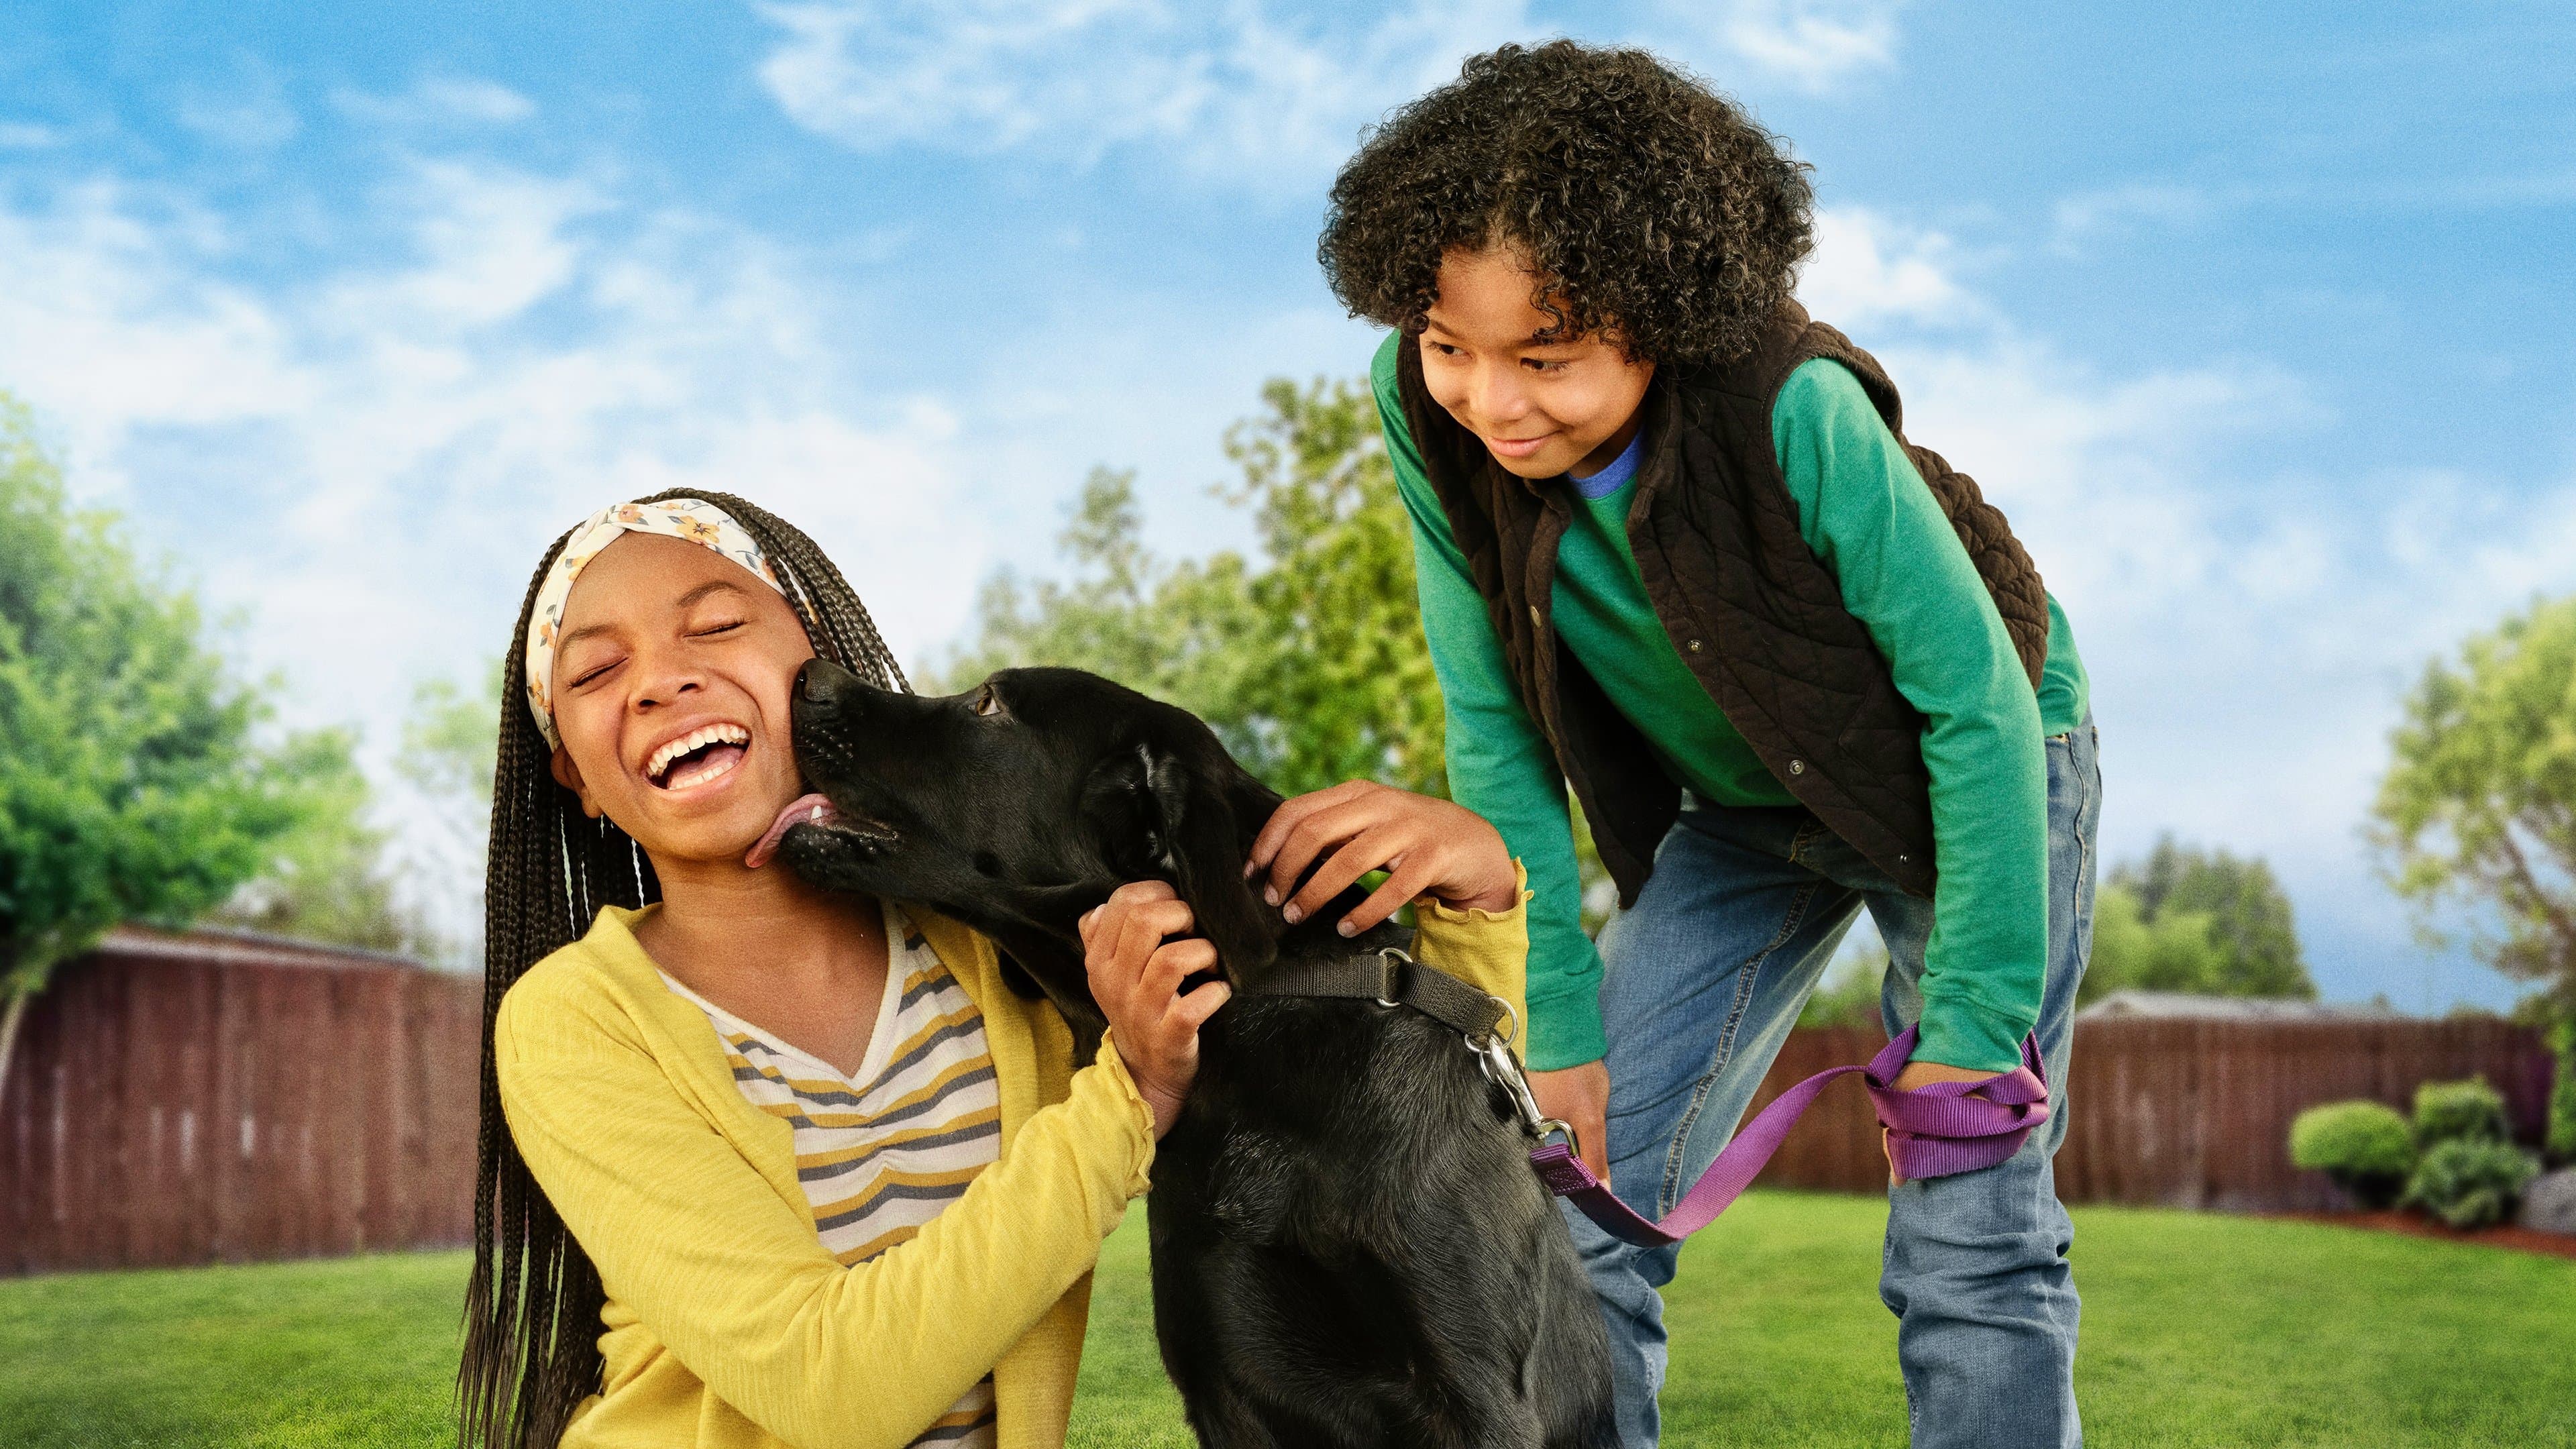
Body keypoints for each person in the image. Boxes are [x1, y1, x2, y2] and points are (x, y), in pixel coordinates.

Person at [1319, 41, 2100, 1449]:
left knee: (1971, 1229)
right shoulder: (1421, 416)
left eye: (1544, 359)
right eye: (1452, 349)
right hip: (1748, 804)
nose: (1493, 403)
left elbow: (1974, 707)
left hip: (1968, 774)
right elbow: (1496, 721)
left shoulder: (1797, 407)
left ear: (1658, 316)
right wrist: (1552, 1017)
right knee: (1563, 1197)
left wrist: (1971, 1038)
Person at [458, 491, 1532, 1449]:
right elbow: (832, 1395)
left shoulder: (994, 950)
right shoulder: (579, 1022)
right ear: (578, 778)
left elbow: (1380, 1122)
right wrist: (1130, 1094)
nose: (662, 679)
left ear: (811, 656)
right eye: (596, 672)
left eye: (719, 624)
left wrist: (1480, 900)